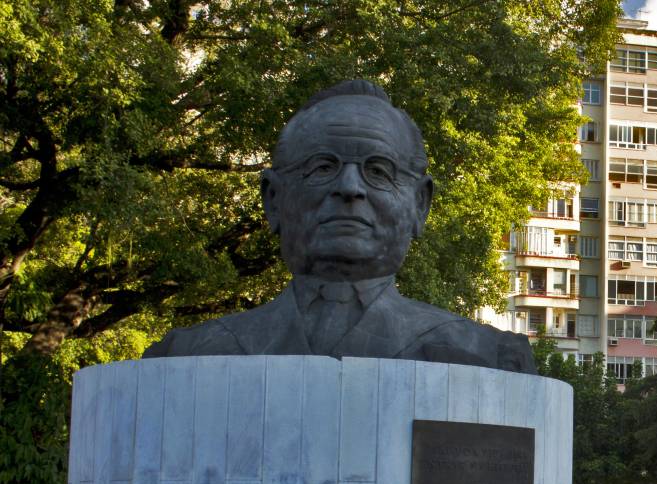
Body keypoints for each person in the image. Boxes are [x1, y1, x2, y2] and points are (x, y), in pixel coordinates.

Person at [144, 79, 535, 374]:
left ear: (420, 204)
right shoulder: (188, 356)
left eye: (378, 171)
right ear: (274, 199)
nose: (349, 188)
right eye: (322, 167)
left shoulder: (490, 358)